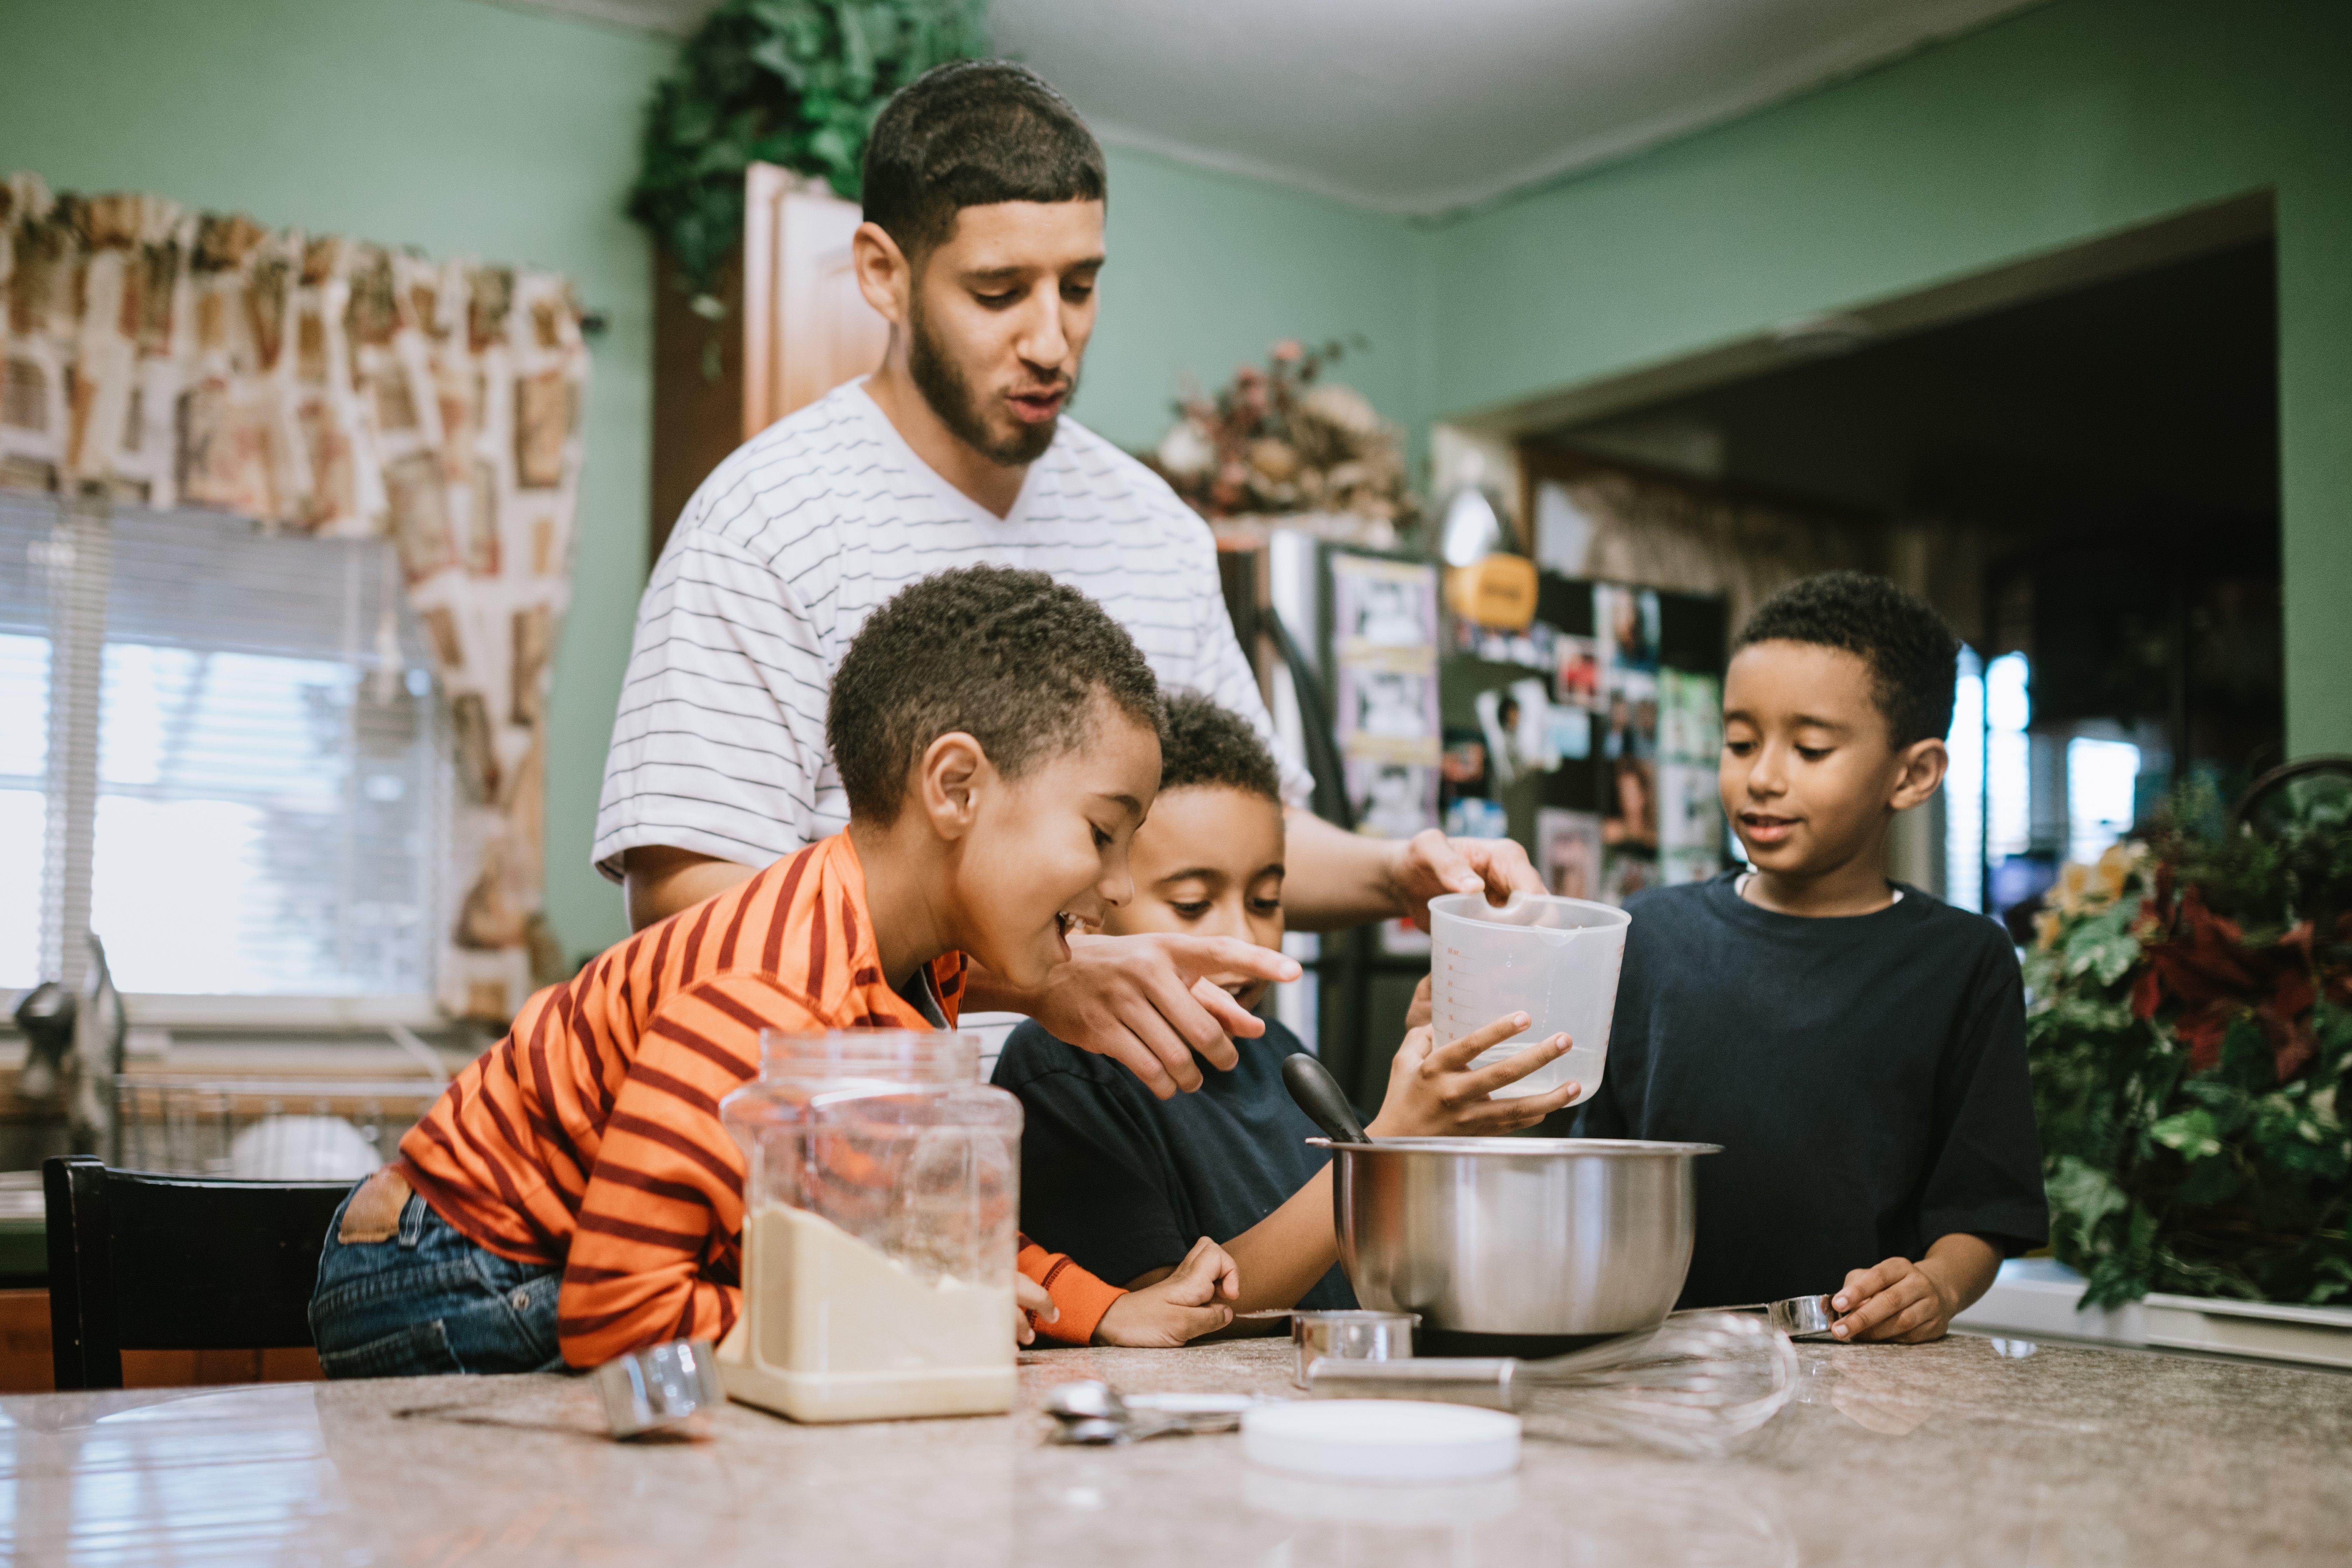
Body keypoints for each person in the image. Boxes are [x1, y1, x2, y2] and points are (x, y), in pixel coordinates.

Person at [595, 60, 1538, 1102]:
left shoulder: (1152, 529)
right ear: (882, 273)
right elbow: (684, 908)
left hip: (1132, 1137)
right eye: (998, 292)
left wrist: (1396, 873)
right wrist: (1037, 979)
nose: (1051, 341)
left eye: (1079, 286)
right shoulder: (763, 519)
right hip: (856, 1137)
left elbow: (1237, 825)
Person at [310, 567, 1242, 1376]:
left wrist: (1110, 1310)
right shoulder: (768, 991)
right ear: (955, 788)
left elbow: (920, 1221)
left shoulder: (915, 971)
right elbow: (620, 1314)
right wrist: (896, 1319)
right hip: (457, 1270)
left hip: (571, 1265)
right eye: (1101, 834)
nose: (1120, 890)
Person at [1570, 572, 2047, 1342]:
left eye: (1812, 747)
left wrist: (1935, 1286)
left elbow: (1984, 1210)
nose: (1763, 776)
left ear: (1913, 773)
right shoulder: (1647, 935)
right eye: (1740, 742)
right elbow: (1586, 1169)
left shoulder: (1964, 962)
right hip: (1652, 1364)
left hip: (1860, 1375)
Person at [994, 693, 1580, 1317]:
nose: (1245, 939)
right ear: (1095, 899)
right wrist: (1385, 1145)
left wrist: (1432, 1092)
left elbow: (1392, 1262)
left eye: (1267, 901)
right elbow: (1173, 1319)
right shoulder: (1062, 1072)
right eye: (1193, 904)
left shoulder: (1278, 1055)